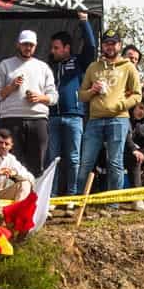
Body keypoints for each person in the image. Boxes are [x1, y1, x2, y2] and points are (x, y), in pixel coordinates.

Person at [80, 31, 143, 202]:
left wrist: (120, 105)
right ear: (103, 46)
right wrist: (92, 90)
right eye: (107, 43)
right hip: (94, 120)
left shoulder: (128, 66)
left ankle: (113, 204)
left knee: (115, 162)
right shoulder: (93, 67)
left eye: (113, 43)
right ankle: (78, 201)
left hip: (118, 119)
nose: (110, 46)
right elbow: (81, 95)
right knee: (86, 161)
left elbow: (137, 95)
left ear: (119, 46)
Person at [0, 30, 57, 172]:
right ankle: (13, 193)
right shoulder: (5, 65)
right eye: (25, 44)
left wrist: (40, 97)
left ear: (35, 46)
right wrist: (10, 87)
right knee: (11, 164)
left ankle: (34, 194)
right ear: (18, 45)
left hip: (37, 120)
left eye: (31, 45)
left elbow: (54, 97)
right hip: (11, 120)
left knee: (37, 165)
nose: (28, 48)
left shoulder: (43, 67)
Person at [48, 11, 97, 196]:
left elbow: (91, 46)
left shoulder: (79, 62)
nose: (52, 51)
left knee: (73, 158)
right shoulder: (50, 65)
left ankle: (71, 196)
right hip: (52, 117)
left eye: (56, 47)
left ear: (66, 48)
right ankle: (50, 197)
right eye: (52, 48)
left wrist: (84, 21)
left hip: (74, 116)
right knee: (53, 159)